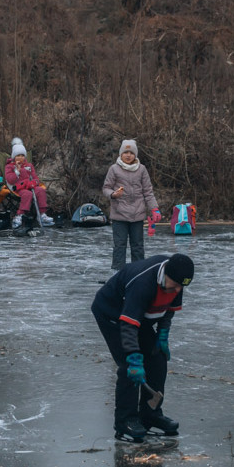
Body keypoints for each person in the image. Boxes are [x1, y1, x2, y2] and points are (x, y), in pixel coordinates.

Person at [91, 253, 194, 443]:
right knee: (129, 367)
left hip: (140, 315)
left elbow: (168, 311)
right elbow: (129, 325)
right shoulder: (143, 282)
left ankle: (150, 414)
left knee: (157, 359)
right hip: (113, 314)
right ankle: (125, 420)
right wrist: (133, 357)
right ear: (165, 275)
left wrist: (162, 334)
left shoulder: (176, 281)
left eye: (182, 287)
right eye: (176, 285)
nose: (178, 290)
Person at [102, 139, 161, 270]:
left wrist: (154, 209)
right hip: (119, 215)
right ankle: (118, 272)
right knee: (119, 245)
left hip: (137, 215)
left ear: (135, 155)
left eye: (131, 153)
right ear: (120, 154)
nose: (128, 155)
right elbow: (106, 188)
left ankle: (139, 271)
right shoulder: (114, 169)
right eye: (125, 152)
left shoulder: (141, 169)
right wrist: (113, 194)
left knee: (138, 246)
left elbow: (148, 191)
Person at [4, 137, 54, 228]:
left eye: (22, 156)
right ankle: (19, 215)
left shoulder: (29, 165)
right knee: (27, 194)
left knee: (40, 190)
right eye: (18, 155)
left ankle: (42, 214)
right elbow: (10, 179)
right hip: (17, 188)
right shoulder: (10, 167)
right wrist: (17, 172)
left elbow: (35, 177)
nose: (20, 158)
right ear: (14, 157)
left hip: (29, 185)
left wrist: (34, 182)